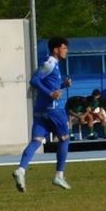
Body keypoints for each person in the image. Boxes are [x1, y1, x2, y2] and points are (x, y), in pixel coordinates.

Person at [12, 37, 72, 192]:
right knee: (65, 139)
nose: (66, 51)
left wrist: (63, 85)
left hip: (40, 109)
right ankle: (59, 175)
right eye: (64, 48)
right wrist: (51, 93)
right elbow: (34, 80)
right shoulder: (50, 63)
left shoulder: (52, 64)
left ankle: (21, 170)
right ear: (56, 50)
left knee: (36, 141)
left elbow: (48, 84)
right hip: (53, 109)